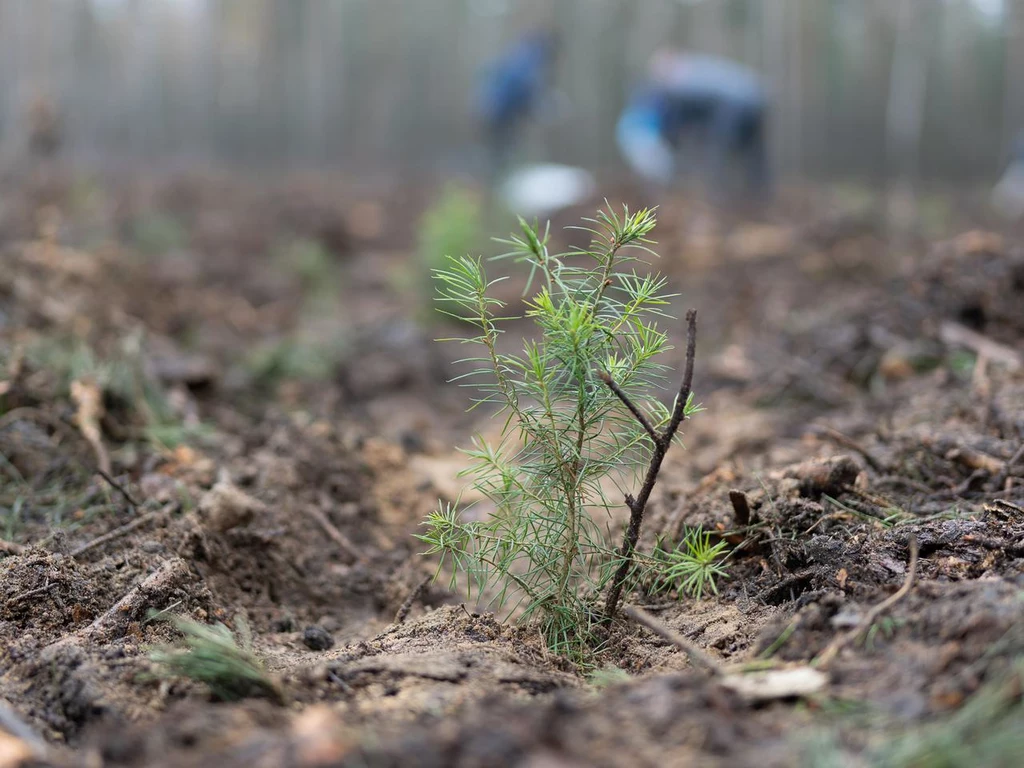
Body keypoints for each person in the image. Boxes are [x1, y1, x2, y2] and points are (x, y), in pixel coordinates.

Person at [617, 49, 768, 196]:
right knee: (751, 155)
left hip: (733, 107)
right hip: (756, 100)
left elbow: (680, 122)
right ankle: (756, 194)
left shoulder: (680, 82)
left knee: (717, 151)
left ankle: (718, 195)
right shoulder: (701, 70)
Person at [477, 30, 559, 178]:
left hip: (492, 110)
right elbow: (523, 89)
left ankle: (496, 183)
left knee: (500, 152)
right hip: (502, 113)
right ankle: (499, 185)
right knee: (504, 153)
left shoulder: (519, 53)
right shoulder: (530, 59)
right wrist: (540, 107)